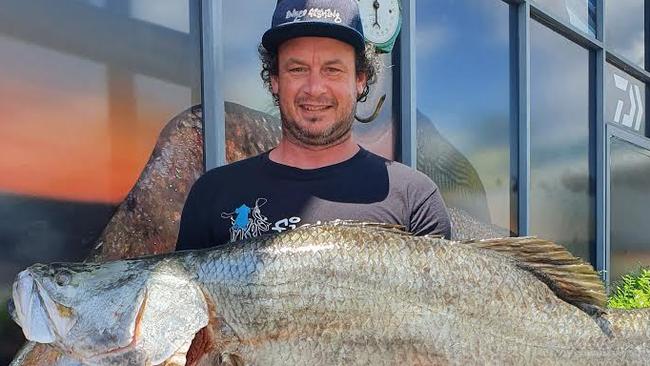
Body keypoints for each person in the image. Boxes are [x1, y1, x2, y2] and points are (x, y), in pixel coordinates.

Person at [176, 0, 450, 250]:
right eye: (297, 69)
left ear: (360, 80)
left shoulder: (414, 199)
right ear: (275, 80)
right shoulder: (212, 195)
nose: (315, 88)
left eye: (332, 70)